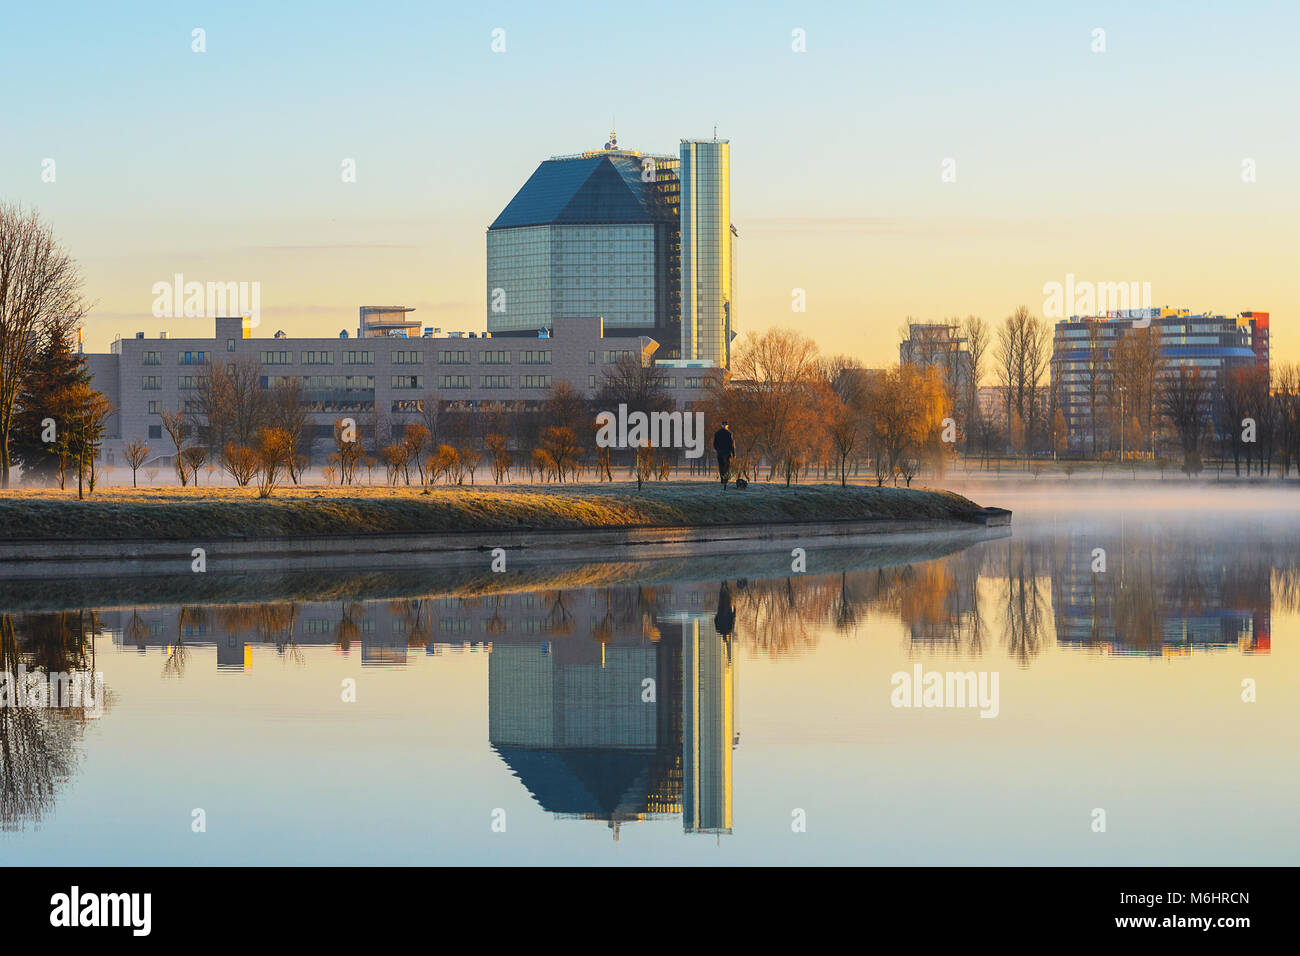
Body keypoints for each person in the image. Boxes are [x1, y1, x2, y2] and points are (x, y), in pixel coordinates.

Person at [713, 421, 735, 489]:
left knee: (721, 465)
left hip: (720, 452)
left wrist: (717, 449)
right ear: (727, 426)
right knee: (727, 466)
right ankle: (725, 478)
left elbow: (714, 444)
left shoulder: (717, 433)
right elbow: (731, 444)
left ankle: (722, 478)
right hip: (727, 452)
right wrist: (733, 453)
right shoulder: (729, 433)